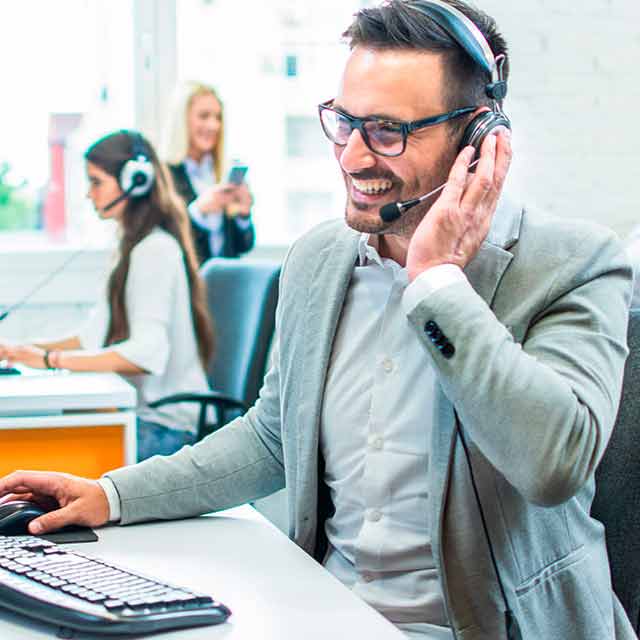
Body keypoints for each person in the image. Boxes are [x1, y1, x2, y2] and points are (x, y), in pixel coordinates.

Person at [0, 2, 634, 638]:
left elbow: (553, 465)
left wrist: (438, 281)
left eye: (388, 131)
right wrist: (112, 495)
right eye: (345, 122)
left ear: (478, 139)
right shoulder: (319, 259)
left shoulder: (572, 263)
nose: (354, 158)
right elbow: (274, 438)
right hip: (327, 612)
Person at [0, 131, 214, 462]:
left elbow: (145, 354)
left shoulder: (155, 250)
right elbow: (91, 338)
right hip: (142, 417)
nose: (89, 193)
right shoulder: (129, 248)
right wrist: (23, 350)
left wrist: (48, 361)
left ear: (135, 181)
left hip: (166, 429)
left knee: (46, 459)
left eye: (96, 182)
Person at [163, 81, 255, 265]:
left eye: (218, 117)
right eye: (204, 116)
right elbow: (166, 242)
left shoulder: (221, 172)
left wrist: (243, 215)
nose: (214, 125)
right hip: (189, 286)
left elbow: (242, 245)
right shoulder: (165, 176)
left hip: (224, 283)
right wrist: (199, 211)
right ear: (182, 121)